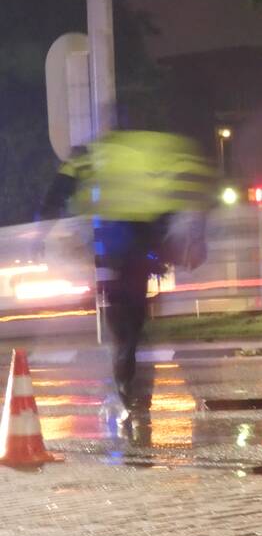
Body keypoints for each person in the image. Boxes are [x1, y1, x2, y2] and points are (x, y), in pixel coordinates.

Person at [38, 128, 215, 408]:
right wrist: (191, 233)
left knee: (115, 299)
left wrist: (46, 220)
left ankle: (124, 354)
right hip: (148, 235)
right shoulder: (165, 144)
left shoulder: (96, 150)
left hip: (112, 236)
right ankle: (132, 355)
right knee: (138, 305)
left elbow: (62, 184)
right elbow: (196, 181)